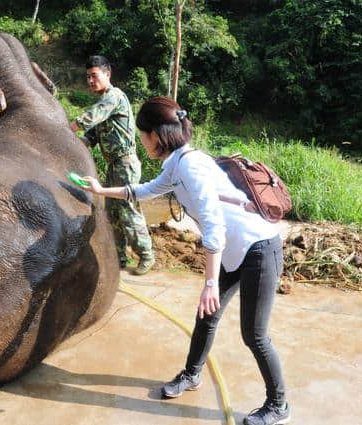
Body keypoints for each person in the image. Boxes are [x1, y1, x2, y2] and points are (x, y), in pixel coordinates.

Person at [78, 97, 290, 425]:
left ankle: (278, 405)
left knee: (255, 334)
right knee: (207, 317)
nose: (141, 141)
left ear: (156, 135)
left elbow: (214, 224)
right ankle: (192, 375)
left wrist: (209, 283)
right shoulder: (176, 165)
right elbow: (145, 190)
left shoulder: (191, 165)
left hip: (258, 248)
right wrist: (102, 190)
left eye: (143, 134)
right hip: (235, 251)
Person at [70, 55, 155, 275]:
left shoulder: (113, 97)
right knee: (112, 213)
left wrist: (67, 128)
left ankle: (146, 255)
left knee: (127, 209)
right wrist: (74, 144)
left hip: (125, 163)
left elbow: (89, 119)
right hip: (114, 165)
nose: (90, 80)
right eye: (88, 76)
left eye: (94, 76)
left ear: (107, 75)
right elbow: (91, 136)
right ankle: (119, 257)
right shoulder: (104, 105)